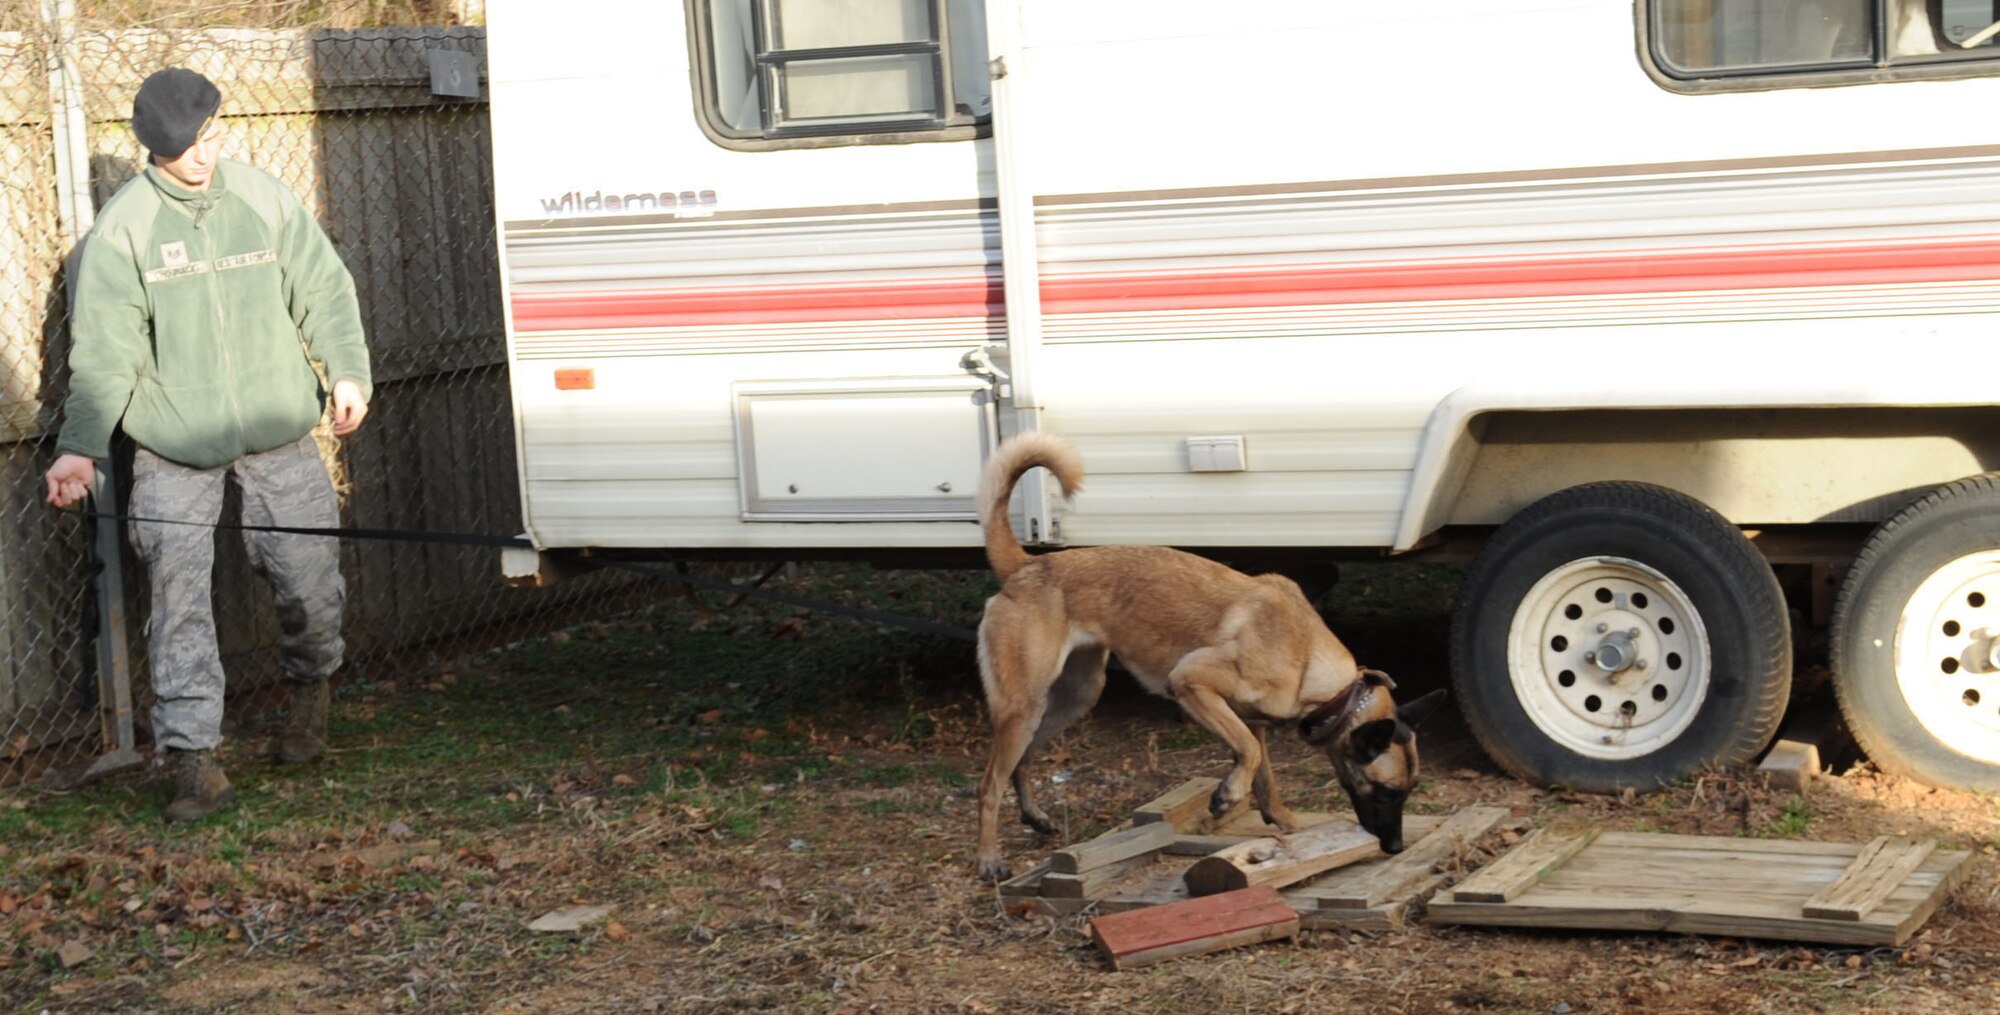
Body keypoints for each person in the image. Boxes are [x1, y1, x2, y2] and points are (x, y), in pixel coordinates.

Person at [43, 67, 373, 822]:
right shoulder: (124, 232)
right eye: (184, 146)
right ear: (155, 148)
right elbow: (102, 355)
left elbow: (324, 288)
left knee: (309, 583)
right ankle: (195, 761)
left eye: (211, 136)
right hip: (170, 446)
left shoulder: (262, 199)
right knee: (178, 599)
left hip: (278, 431)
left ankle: (311, 691)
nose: (201, 155)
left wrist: (347, 370)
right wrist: (79, 449)